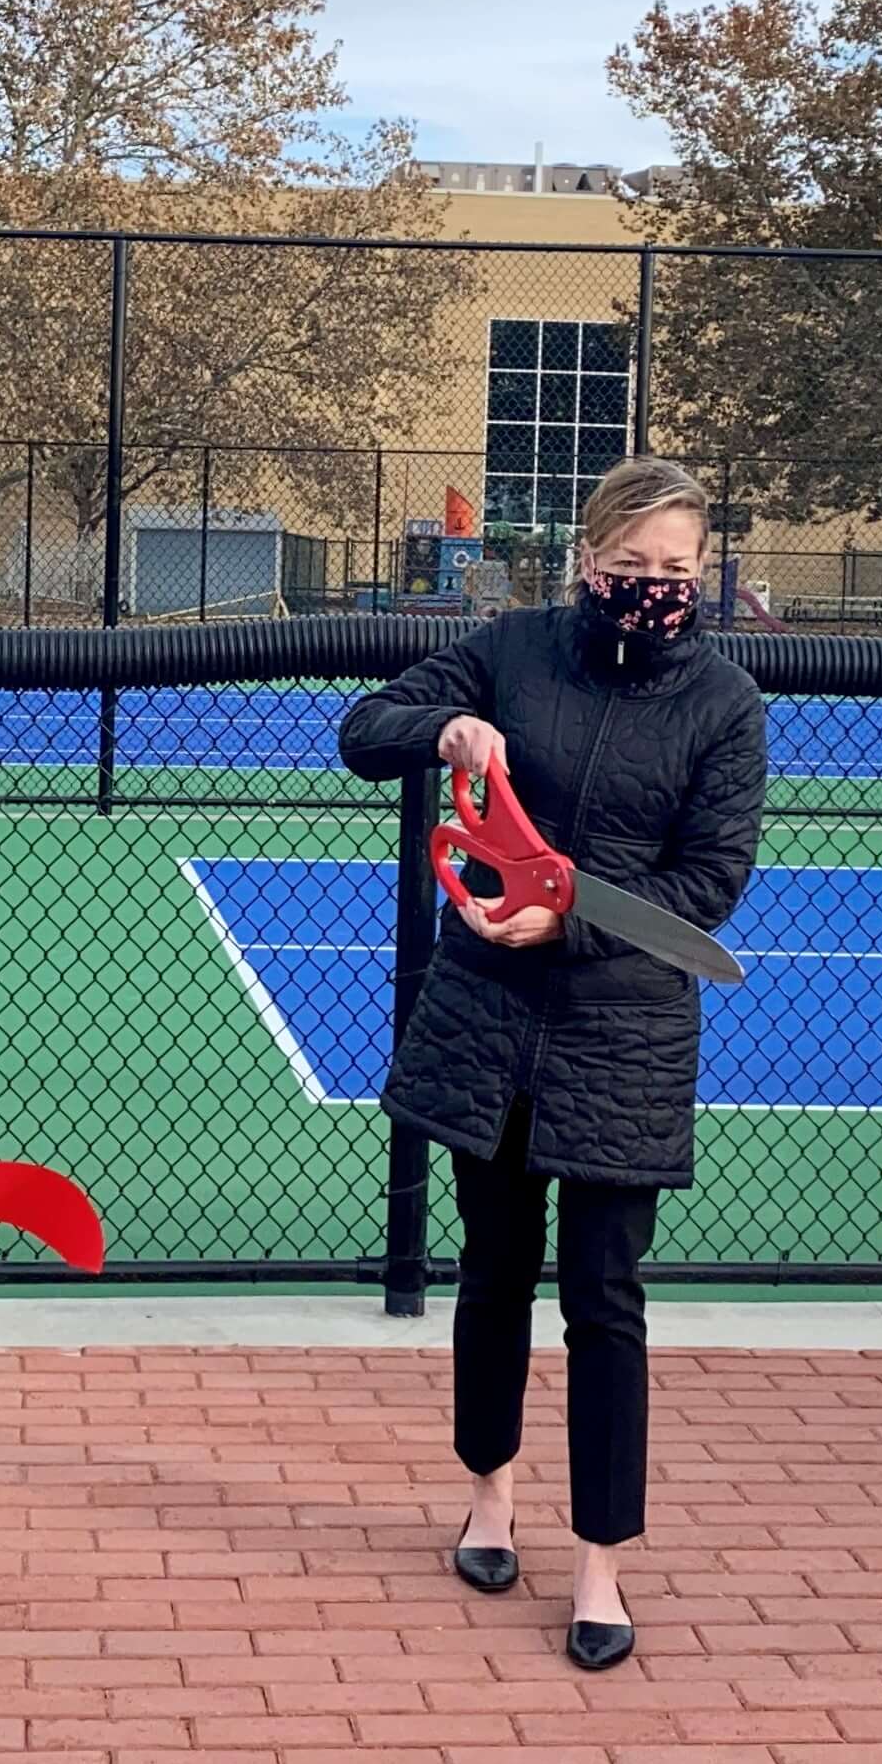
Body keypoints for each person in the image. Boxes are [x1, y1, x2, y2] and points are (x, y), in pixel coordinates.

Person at [338, 457, 765, 1671]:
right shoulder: (509, 649)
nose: (651, 590)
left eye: (674, 571)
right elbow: (364, 732)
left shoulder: (725, 706)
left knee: (604, 1304)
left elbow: (705, 888)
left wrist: (565, 919)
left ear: (700, 573)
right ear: (588, 561)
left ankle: (601, 1570)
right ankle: (487, 1499)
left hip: (622, 1030)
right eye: (629, 568)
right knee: (492, 1273)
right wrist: (446, 724)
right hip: (487, 1020)